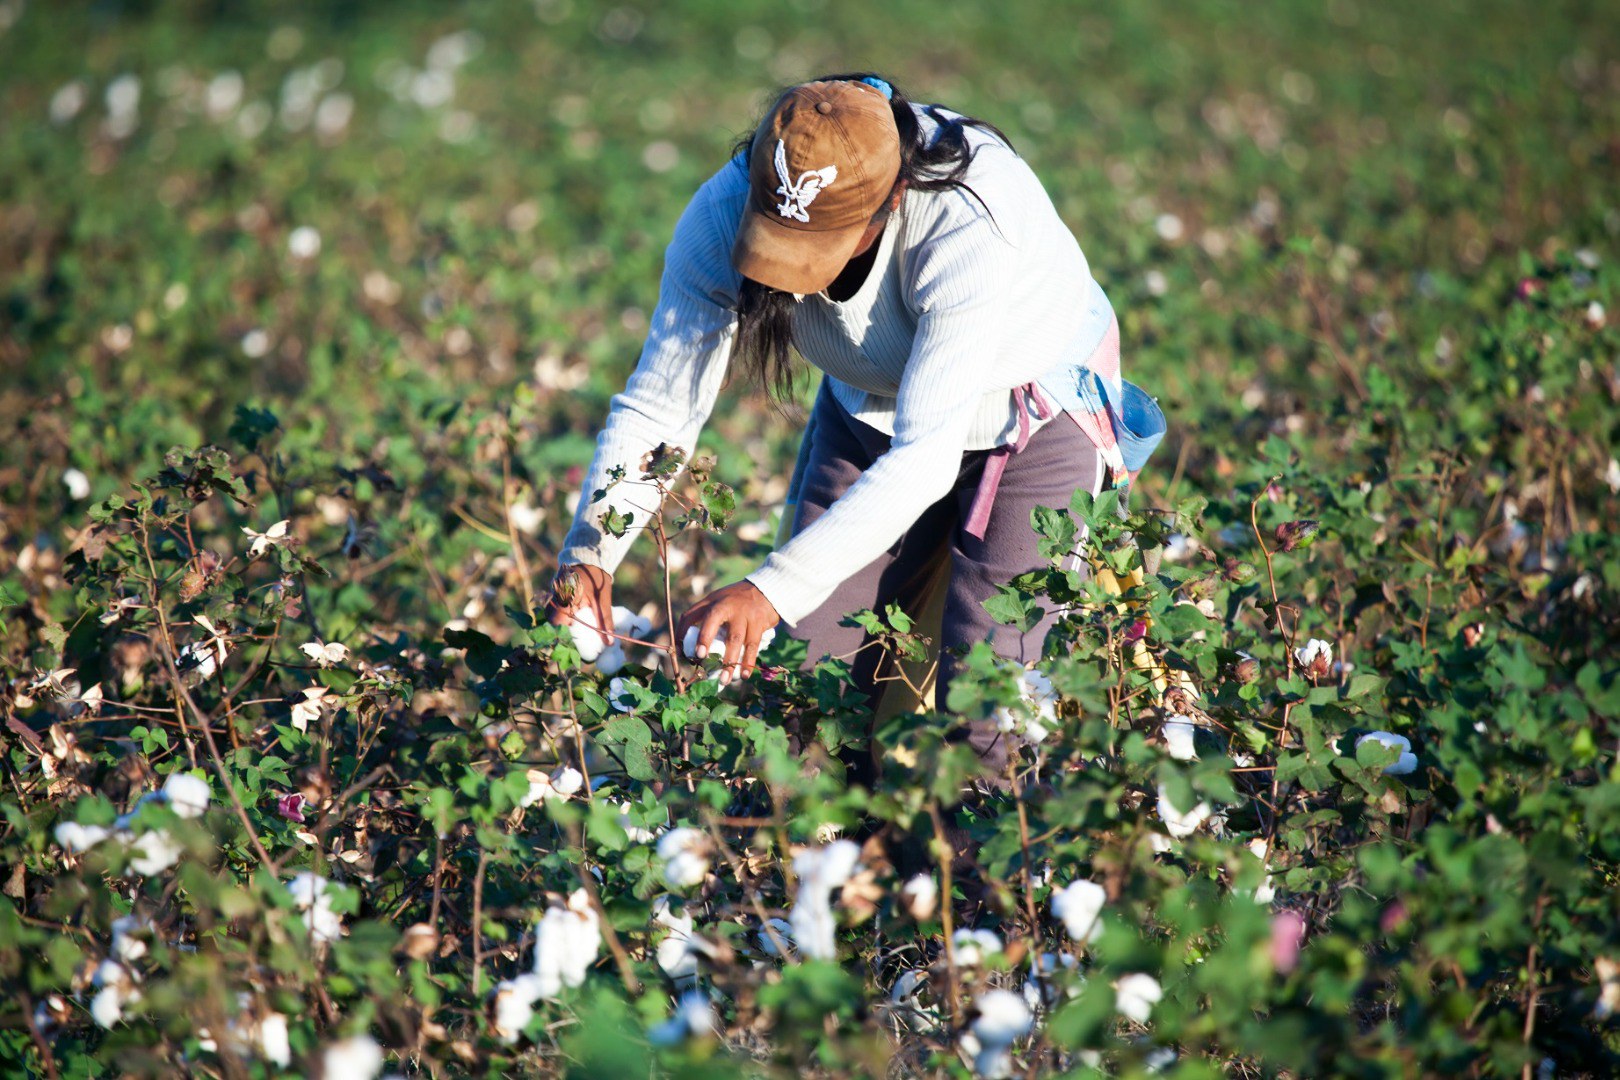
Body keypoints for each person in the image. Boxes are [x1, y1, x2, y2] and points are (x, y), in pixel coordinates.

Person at [546, 73, 1160, 777]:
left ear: (890, 201)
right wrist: (590, 553)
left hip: (1031, 424)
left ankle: (973, 884)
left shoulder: (966, 222)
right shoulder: (722, 210)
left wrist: (770, 587)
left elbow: (925, 458)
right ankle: (812, 872)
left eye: (811, 251)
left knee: (991, 713)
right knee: (805, 695)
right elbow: (661, 405)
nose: (787, 280)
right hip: (869, 409)